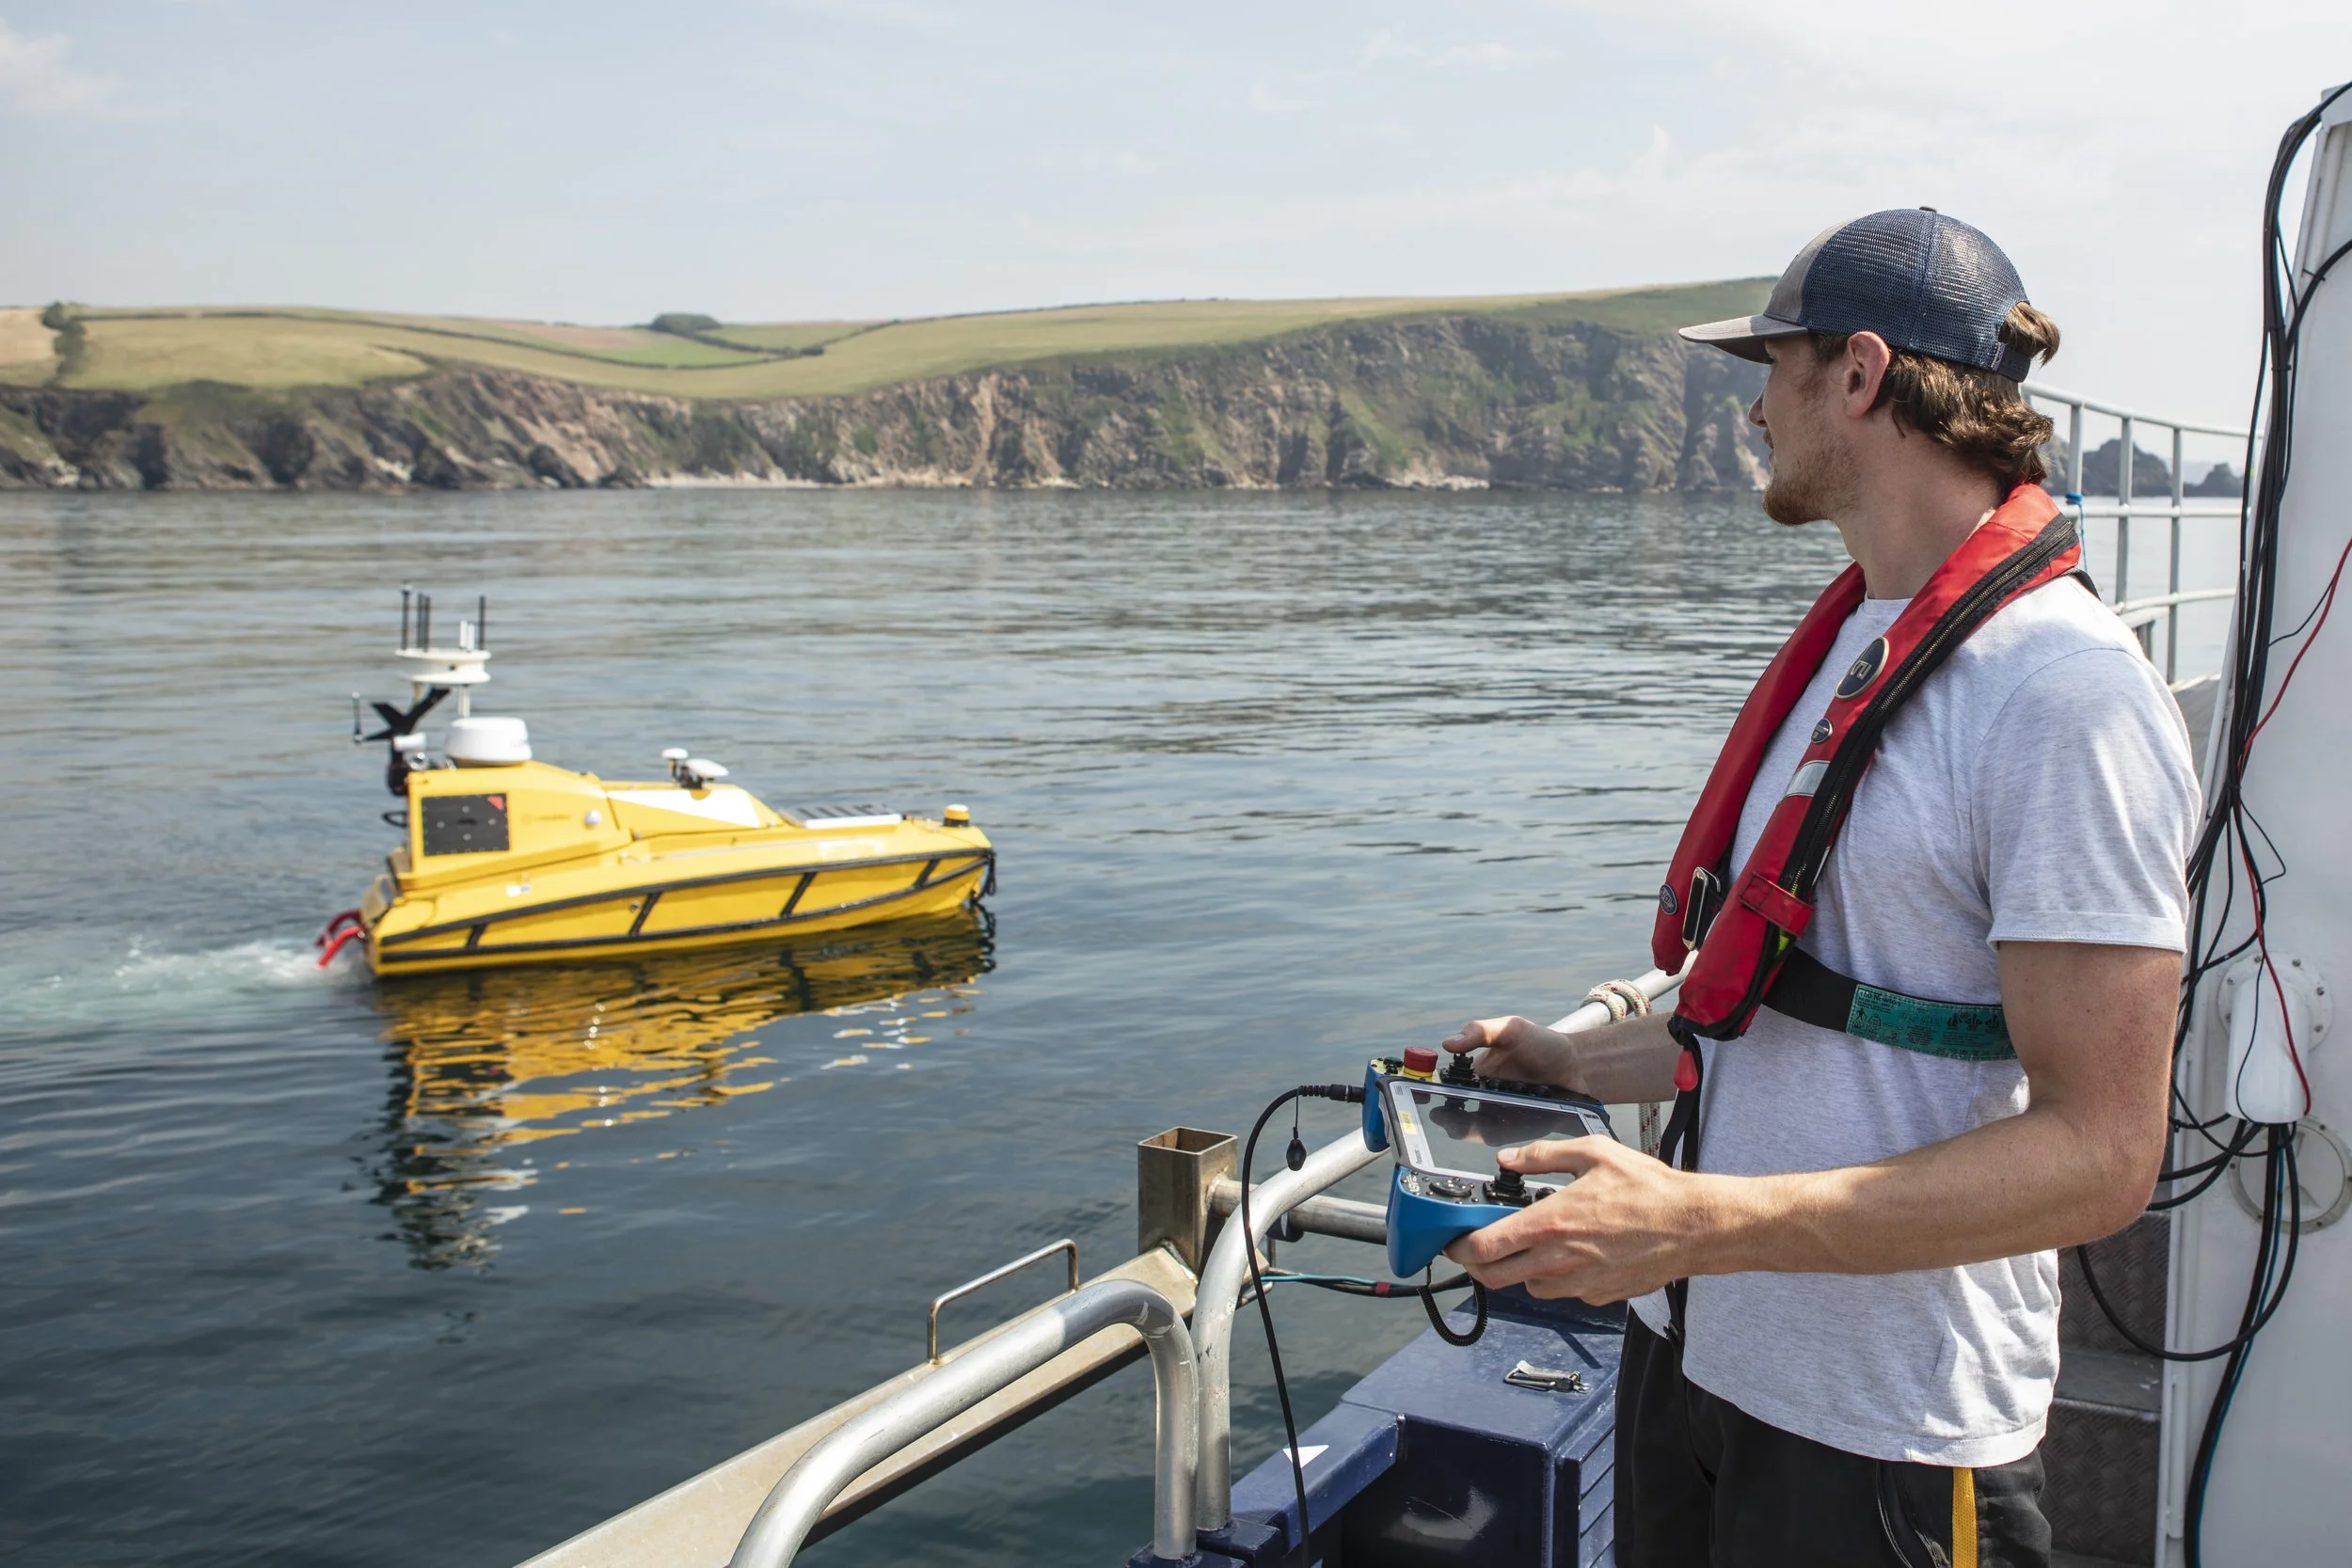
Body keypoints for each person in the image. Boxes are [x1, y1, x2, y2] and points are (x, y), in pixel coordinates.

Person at [1438, 209, 2200, 1568]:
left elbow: (2103, 1155)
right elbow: (1794, 989)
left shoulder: (2066, 696)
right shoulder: (1865, 636)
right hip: (1699, 1366)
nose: (1752, 412)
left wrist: (1696, 1221)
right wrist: (1575, 1056)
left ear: (1857, 375)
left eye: (1771, 369)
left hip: (1886, 1426)